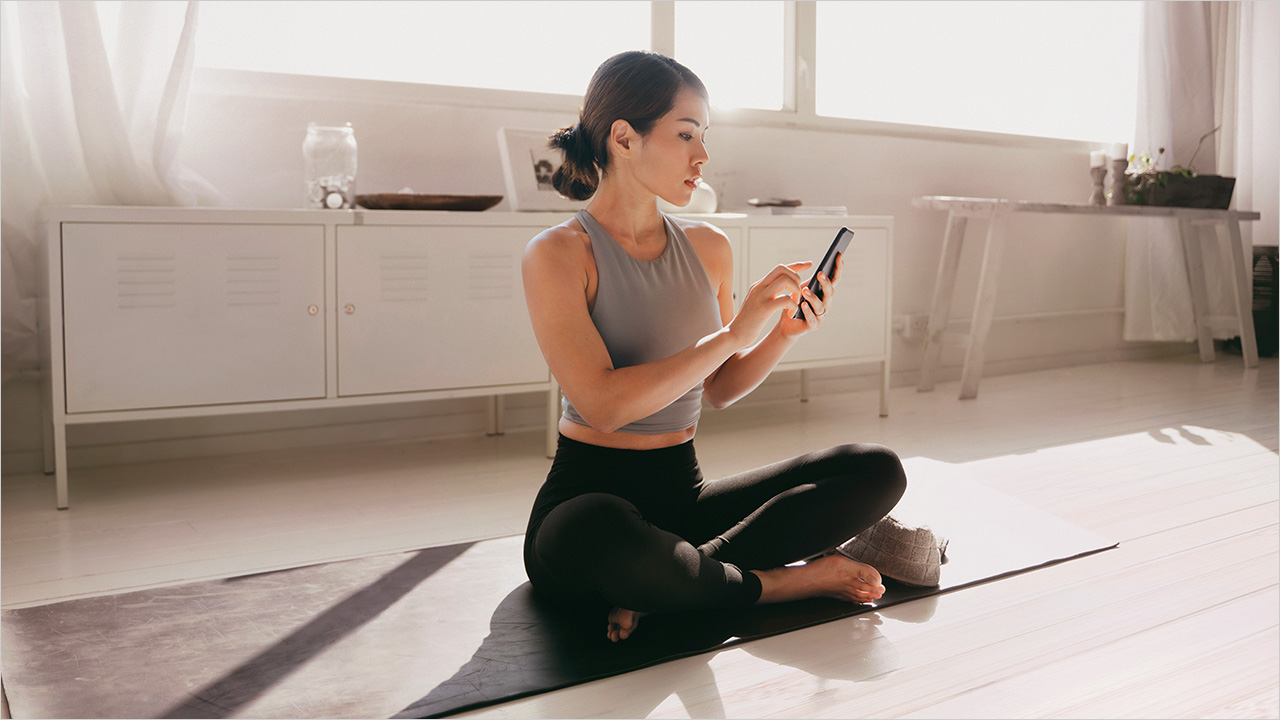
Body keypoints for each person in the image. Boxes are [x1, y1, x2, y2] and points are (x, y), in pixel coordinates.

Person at [521, 51, 906, 643]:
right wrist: (731, 336)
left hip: (684, 496)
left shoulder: (708, 247)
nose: (702, 156)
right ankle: (780, 582)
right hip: (589, 497)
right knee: (594, 528)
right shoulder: (559, 254)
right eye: (685, 135)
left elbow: (720, 389)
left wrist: (780, 334)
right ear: (624, 138)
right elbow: (601, 403)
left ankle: (678, 577)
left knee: (876, 470)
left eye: (705, 136)